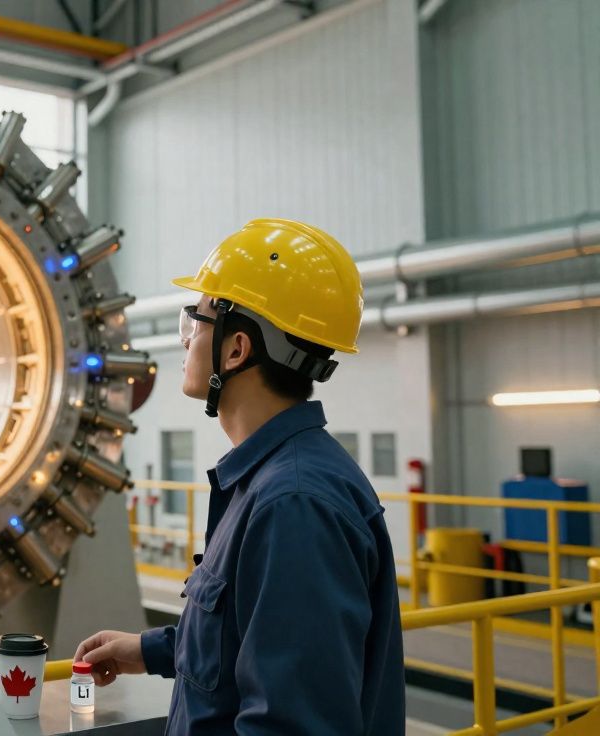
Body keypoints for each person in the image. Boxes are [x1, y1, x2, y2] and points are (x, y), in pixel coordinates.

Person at [75, 219, 404, 734]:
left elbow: (291, 725)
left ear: (236, 349)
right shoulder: (273, 480)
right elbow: (244, 631)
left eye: (196, 321)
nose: (186, 340)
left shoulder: (294, 504)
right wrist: (151, 649)